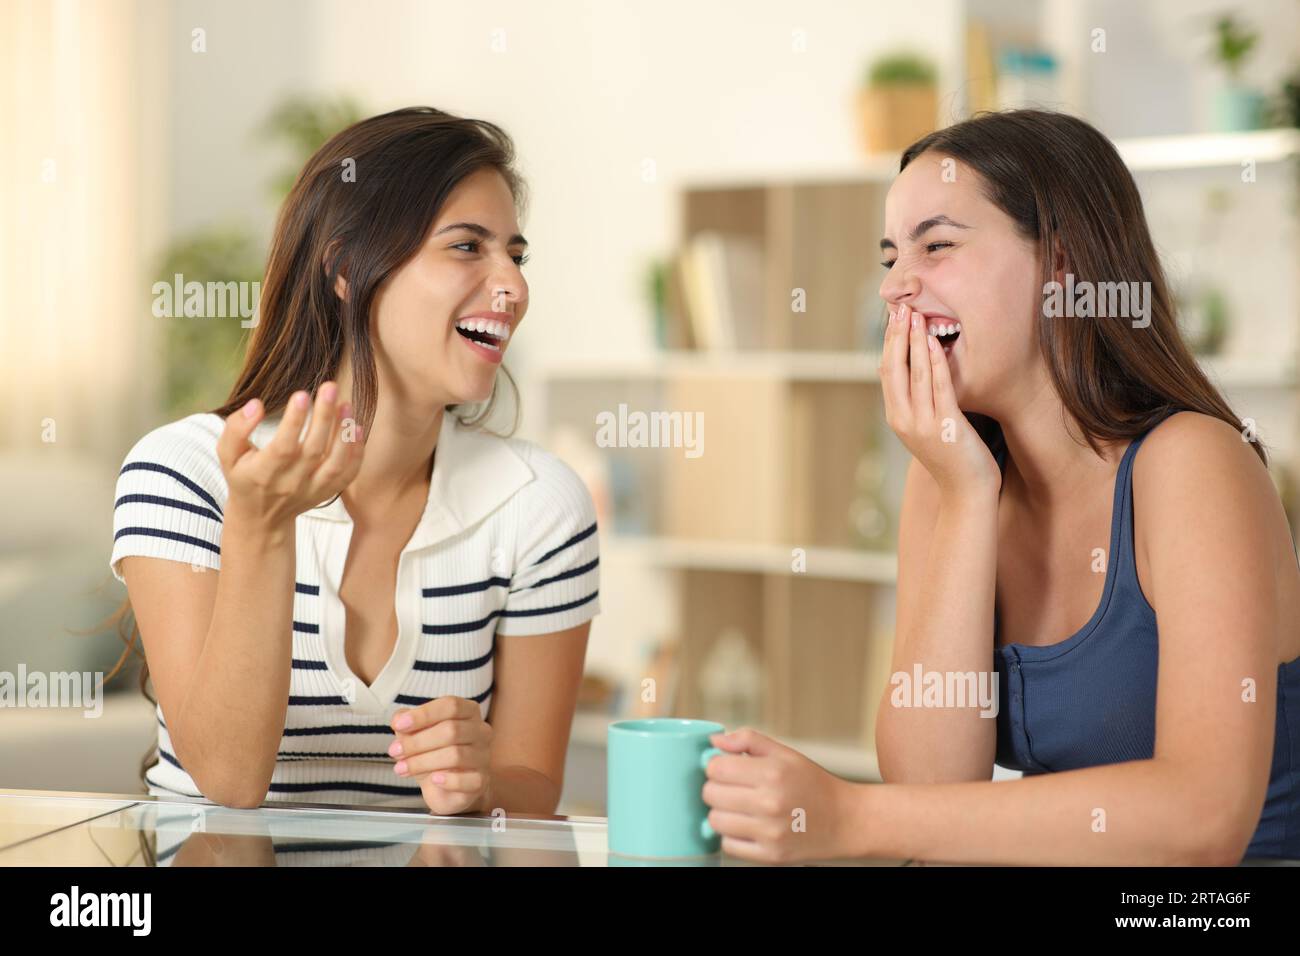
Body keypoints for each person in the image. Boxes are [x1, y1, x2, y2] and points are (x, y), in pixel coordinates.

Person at [701, 109, 1300, 865]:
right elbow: (932, 784)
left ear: (1062, 267)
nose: (894, 287)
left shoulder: (1192, 463)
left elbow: (1205, 819)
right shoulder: (953, 476)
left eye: (937, 246)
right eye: (890, 256)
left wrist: (852, 817)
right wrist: (963, 497)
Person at [109, 107, 600, 824]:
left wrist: (485, 782)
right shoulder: (184, 474)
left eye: (515, 256)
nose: (513, 289)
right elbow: (229, 778)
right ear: (345, 268)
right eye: (468, 247)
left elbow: (531, 783)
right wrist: (261, 527)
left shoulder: (540, 505)